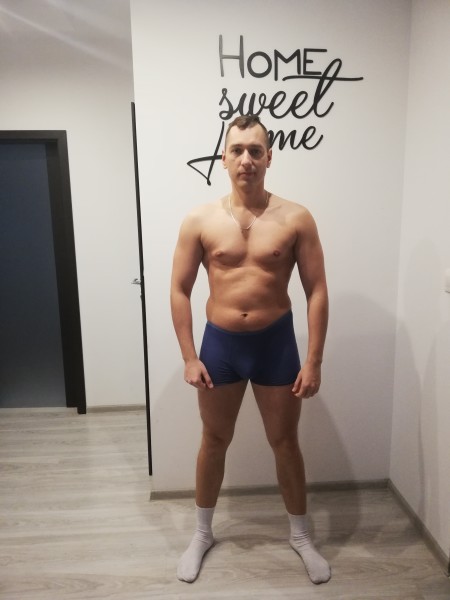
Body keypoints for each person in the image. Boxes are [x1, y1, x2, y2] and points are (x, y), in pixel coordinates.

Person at [170, 115, 330, 585]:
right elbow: (179, 289)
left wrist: (314, 360)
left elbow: (317, 290)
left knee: (285, 442)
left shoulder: (296, 218)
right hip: (220, 345)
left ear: (269, 158)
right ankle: (202, 534)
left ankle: (301, 537)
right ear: (224, 158)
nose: (246, 159)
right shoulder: (200, 220)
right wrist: (189, 356)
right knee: (214, 440)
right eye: (237, 150)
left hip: (275, 343)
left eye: (255, 151)